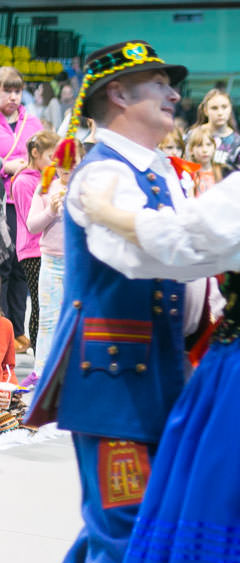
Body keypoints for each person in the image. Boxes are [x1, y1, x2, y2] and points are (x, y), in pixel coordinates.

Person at [24, 42, 240, 563]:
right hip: (112, 378)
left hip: (161, 368)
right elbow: (141, 257)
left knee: (142, 519)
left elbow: (191, 245)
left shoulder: (164, 169)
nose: (173, 94)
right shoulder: (101, 175)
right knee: (127, 523)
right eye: (159, 84)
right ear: (117, 93)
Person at [25, 139, 82, 379]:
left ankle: (73, 373)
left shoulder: (86, 188)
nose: (67, 167)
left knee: (77, 320)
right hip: (50, 263)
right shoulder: (45, 187)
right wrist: (50, 211)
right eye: (62, 162)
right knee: (47, 320)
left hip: (78, 265)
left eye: (73, 161)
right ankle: (41, 373)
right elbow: (31, 225)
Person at [0, 66, 44, 354]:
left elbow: (45, 158)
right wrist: (5, 167)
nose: (14, 96)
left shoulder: (33, 122)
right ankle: (1, 331)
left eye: (17, 91)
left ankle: (18, 331)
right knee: (1, 267)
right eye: (7, 90)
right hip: (1, 203)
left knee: (21, 269)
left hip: (26, 206)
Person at [11, 130, 60, 353]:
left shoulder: (49, 179)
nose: (55, 162)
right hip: (32, 251)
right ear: (35, 153)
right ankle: (38, 358)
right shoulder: (23, 181)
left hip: (48, 249)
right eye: (51, 157)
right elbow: (27, 219)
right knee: (40, 308)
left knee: (52, 306)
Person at [190, 88, 240, 175]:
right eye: (214, 108)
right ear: (205, 110)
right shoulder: (192, 135)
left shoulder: (238, 142)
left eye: (224, 107)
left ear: (230, 109)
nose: (220, 113)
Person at [185, 126, 221, 196]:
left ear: (214, 147)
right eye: (199, 145)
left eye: (208, 145)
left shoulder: (221, 170)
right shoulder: (188, 175)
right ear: (191, 150)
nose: (205, 150)